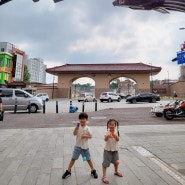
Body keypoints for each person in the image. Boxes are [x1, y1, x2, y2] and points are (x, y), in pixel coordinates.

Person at [62, 112, 98, 179]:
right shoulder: (78, 127)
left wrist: (85, 136)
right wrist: (76, 129)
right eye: (81, 119)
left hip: (85, 147)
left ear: (86, 120)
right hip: (77, 146)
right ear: (79, 120)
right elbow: (74, 134)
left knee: (88, 159)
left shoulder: (87, 128)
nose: (82, 120)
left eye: (83, 119)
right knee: (73, 158)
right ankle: (68, 170)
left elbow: (91, 136)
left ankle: (93, 170)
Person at [102, 119, 123, 184]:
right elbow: (105, 139)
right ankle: (104, 176)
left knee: (116, 162)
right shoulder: (107, 132)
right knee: (105, 163)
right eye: (110, 124)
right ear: (108, 125)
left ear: (115, 126)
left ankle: (116, 171)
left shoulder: (117, 132)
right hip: (107, 150)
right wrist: (108, 136)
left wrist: (115, 136)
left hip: (115, 150)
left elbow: (118, 139)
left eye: (113, 124)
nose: (111, 126)